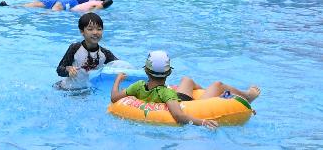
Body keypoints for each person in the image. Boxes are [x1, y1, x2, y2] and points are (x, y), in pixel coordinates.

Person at [111, 50, 260, 129]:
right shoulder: (167, 93)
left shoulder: (137, 86)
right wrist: (202, 122)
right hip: (185, 104)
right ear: (168, 72)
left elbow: (114, 97)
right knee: (218, 85)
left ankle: (207, 94)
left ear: (146, 71)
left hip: (180, 99)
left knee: (187, 80)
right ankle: (247, 96)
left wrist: (118, 80)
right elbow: (179, 116)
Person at [55, 13, 118, 90]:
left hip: (86, 91)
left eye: (99, 29)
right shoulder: (75, 48)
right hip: (65, 89)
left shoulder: (105, 53)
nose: (95, 32)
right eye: (90, 29)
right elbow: (59, 69)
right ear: (82, 31)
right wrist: (67, 70)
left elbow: (119, 66)